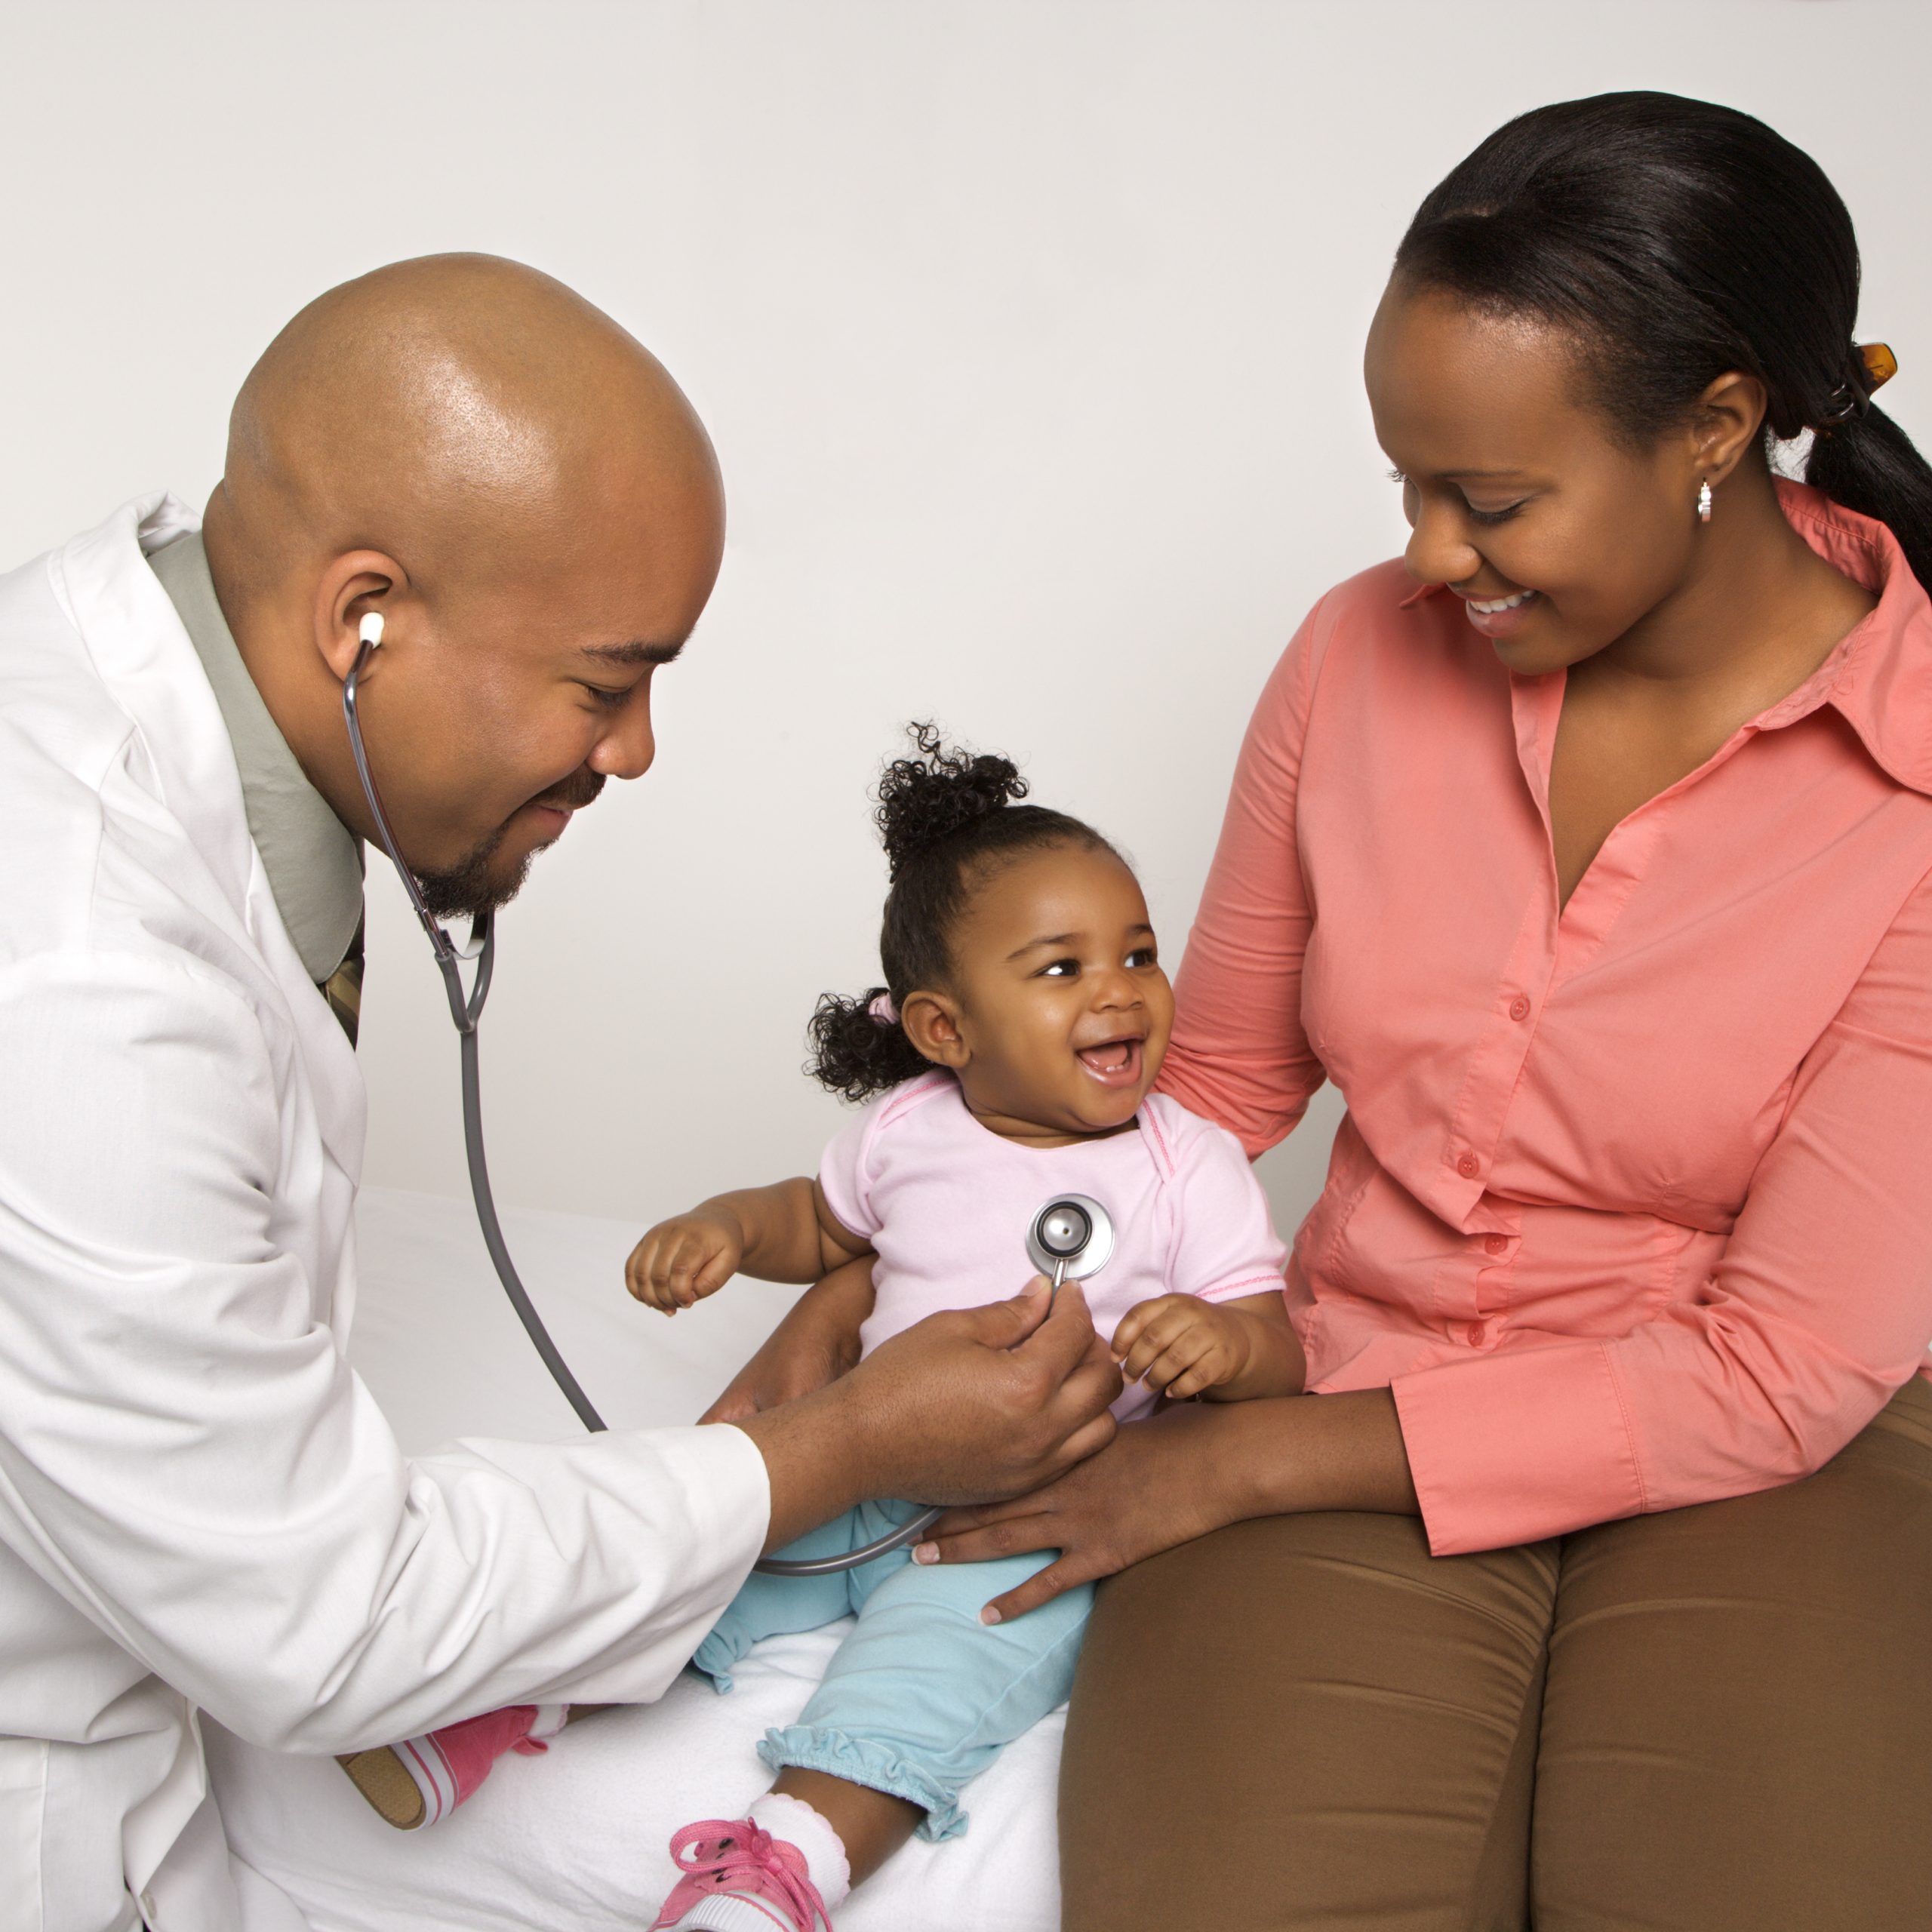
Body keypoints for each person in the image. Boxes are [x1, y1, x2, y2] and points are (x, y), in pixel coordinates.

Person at [730, 94, 1932, 1929]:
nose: (1431, 556)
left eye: (1494, 498)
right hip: (1359, 1361)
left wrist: (1244, 1458)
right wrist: (875, 1280)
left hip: (1779, 1453)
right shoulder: (1359, 653)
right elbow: (1193, 1087)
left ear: (1710, 425)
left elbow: (1772, 1370)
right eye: (1405, 481)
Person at [0, 256, 1124, 1932]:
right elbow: (323, 1615)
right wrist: (824, 1451)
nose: (637, 749)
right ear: (359, 616)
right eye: (605, 683)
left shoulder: (159, 680)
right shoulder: (79, 984)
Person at [352, 728, 1300, 1926]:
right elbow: (825, 1224)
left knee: (929, 1684)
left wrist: (1225, 1347)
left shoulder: (1185, 1165)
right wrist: (733, 1232)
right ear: (945, 1030)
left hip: (1027, 1515)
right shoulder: (912, 1130)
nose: (1119, 988)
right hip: (874, 1456)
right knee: (700, 1570)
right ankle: (498, 1711)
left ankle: (784, 1869)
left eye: (1140, 953)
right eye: (1061, 968)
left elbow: (1278, 1347)